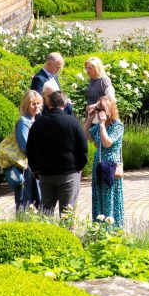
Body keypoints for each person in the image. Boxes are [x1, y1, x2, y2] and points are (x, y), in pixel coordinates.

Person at [26, 91, 88, 216]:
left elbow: (30, 148)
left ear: (49, 103)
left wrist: (35, 169)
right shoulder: (72, 122)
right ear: (65, 104)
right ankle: (66, 234)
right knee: (67, 212)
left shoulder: (38, 123)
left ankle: (45, 234)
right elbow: (83, 148)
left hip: (45, 173)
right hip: (68, 173)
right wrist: (79, 167)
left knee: (46, 211)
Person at [84, 95, 124, 227]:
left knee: (109, 196)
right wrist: (90, 119)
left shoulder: (117, 125)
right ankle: (99, 228)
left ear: (109, 110)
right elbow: (85, 136)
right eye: (98, 109)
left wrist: (102, 125)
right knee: (99, 195)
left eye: (102, 110)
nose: (100, 113)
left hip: (110, 165)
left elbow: (107, 143)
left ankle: (113, 229)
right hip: (99, 164)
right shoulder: (98, 125)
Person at [13, 90, 43, 211]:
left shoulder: (36, 120)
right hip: (27, 166)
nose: (36, 107)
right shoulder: (23, 122)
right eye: (33, 104)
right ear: (26, 105)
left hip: (36, 164)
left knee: (38, 199)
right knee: (27, 200)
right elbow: (24, 146)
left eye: (38, 103)